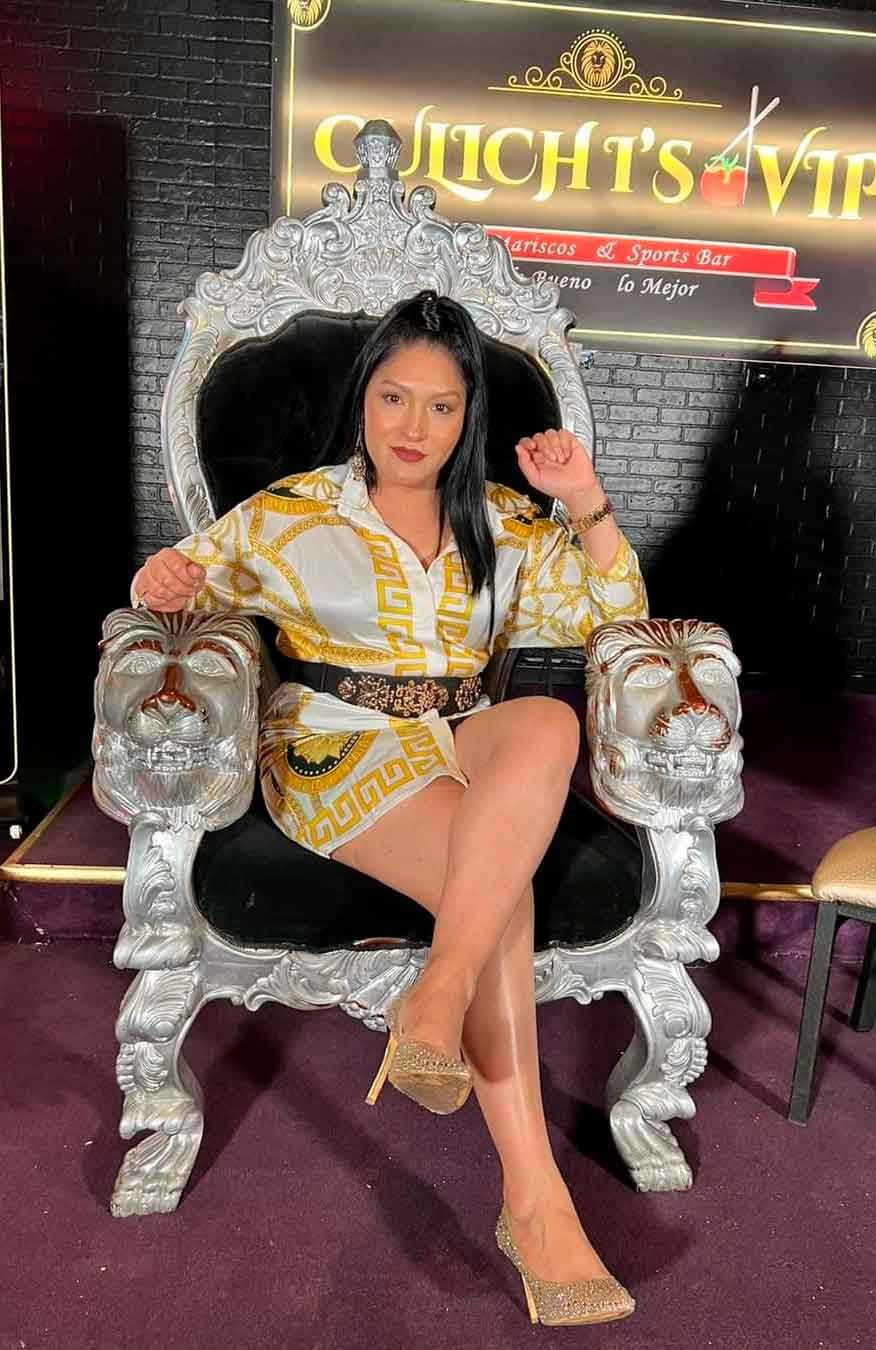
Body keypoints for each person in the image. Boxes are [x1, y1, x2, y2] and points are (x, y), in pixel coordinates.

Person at [132, 289, 647, 1327]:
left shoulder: (504, 520)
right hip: (336, 744)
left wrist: (584, 498)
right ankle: (536, 1200)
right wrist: (162, 581)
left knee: (547, 723)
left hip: (465, 730)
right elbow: (179, 584)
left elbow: (617, 612)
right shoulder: (290, 513)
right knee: (497, 893)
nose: (414, 427)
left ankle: (435, 996)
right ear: (363, 399)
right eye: (394, 398)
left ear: (467, 418)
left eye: (442, 406)